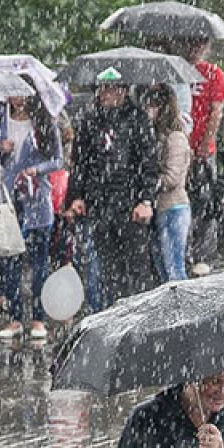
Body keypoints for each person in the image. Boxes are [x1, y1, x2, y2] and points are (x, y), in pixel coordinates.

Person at [66, 69, 160, 308]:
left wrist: (146, 199)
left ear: (122, 90)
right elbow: (80, 162)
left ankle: (143, 315)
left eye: (110, 88)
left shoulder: (138, 119)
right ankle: (116, 313)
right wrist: (76, 196)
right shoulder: (89, 120)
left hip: (129, 203)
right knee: (109, 269)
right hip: (100, 204)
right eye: (102, 88)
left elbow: (149, 164)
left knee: (137, 267)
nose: (105, 94)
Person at [0, 92, 61, 342]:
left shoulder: (44, 123)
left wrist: (36, 169)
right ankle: (15, 317)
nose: (17, 99)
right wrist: (1, 150)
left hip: (37, 199)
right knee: (11, 261)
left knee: (39, 262)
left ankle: (38, 317)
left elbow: (57, 160)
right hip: (9, 199)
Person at [181, 37, 224, 275]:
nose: (195, 48)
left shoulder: (213, 73)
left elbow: (216, 111)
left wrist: (206, 141)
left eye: (199, 44)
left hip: (202, 149)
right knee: (183, 202)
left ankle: (202, 255)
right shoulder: (177, 71)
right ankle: (186, 253)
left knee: (206, 200)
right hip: (181, 150)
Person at [147, 84, 193, 283]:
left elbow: (172, 177)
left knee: (174, 267)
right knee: (164, 267)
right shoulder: (159, 136)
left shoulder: (175, 138)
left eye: (153, 105)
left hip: (174, 208)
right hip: (163, 209)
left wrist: (151, 183)